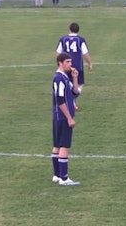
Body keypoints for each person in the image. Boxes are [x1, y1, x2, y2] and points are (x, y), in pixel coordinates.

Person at [51, 52, 81, 186]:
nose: (70, 64)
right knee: (64, 146)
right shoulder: (59, 78)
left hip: (59, 116)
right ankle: (64, 178)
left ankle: (57, 175)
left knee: (57, 145)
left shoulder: (65, 77)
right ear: (60, 63)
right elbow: (60, 99)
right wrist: (69, 118)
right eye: (67, 62)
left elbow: (75, 93)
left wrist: (75, 78)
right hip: (63, 117)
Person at [56, 22, 93, 92]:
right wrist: (89, 64)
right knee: (78, 86)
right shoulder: (80, 40)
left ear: (69, 29)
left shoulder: (63, 39)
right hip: (77, 66)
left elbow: (58, 53)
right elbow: (85, 54)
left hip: (65, 66)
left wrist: (59, 64)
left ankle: (70, 100)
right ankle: (73, 101)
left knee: (66, 85)